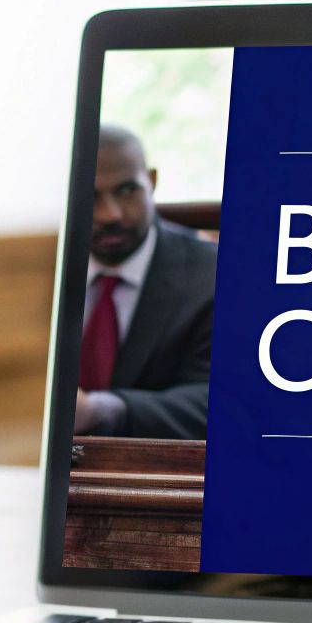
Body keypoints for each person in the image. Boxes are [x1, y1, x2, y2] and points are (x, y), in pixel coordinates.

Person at [73, 124, 215, 439]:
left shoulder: (216, 275)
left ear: (151, 182)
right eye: (89, 196)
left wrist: (102, 410)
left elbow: (220, 399)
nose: (110, 214)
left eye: (126, 190)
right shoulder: (36, 270)